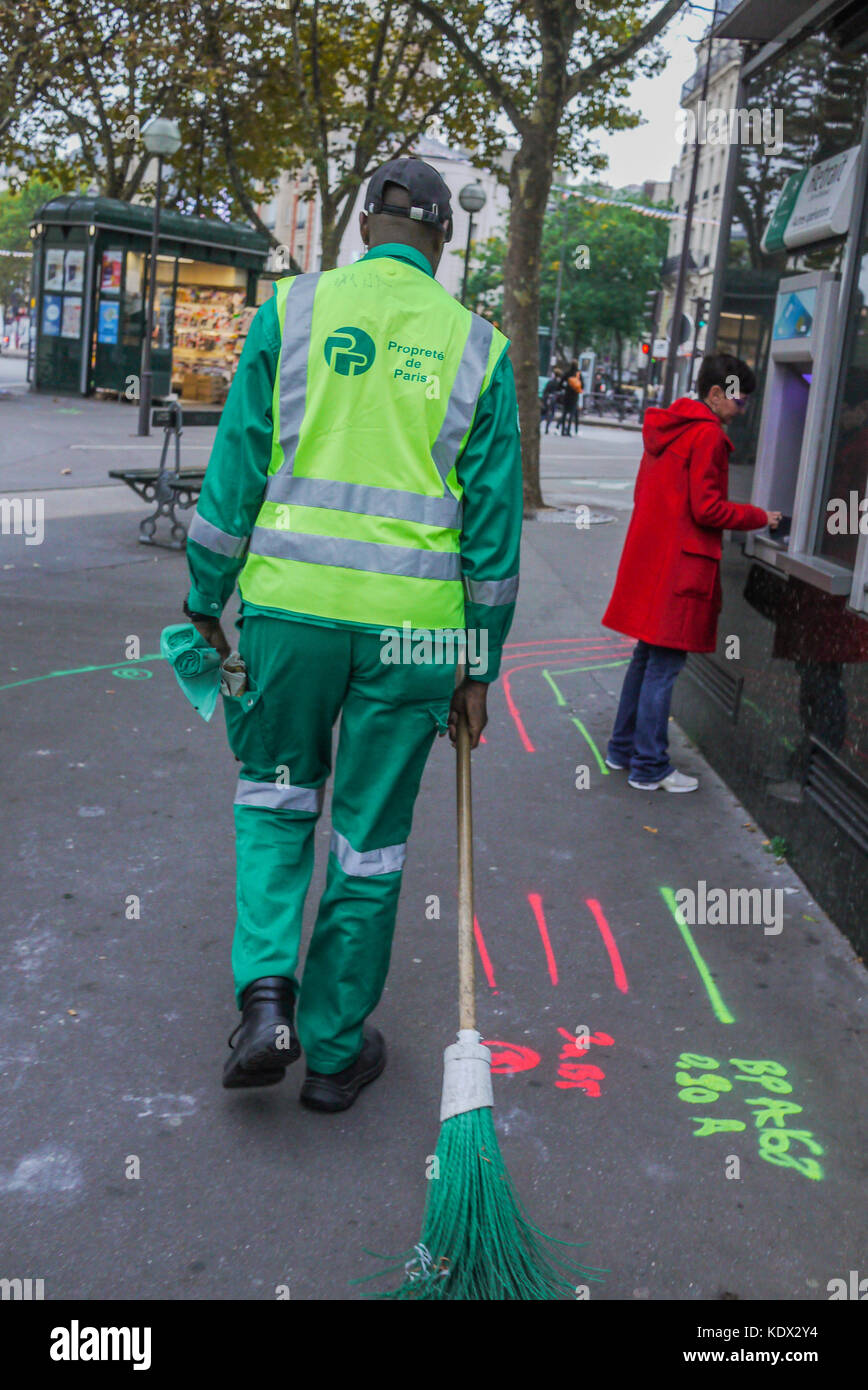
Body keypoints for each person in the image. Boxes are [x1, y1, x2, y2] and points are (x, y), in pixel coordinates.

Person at [182, 157, 523, 1109]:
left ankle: (265, 1004)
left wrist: (206, 595)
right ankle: (333, 1053)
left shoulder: (290, 313)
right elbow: (491, 542)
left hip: (290, 617)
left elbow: (236, 468)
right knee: (368, 846)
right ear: (444, 243)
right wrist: (476, 669)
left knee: (277, 808)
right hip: (415, 640)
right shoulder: (480, 350)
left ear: (364, 222)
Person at [601, 353, 780, 792]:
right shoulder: (708, 438)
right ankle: (649, 767)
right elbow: (708, 508)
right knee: (663, 668)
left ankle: (622, 750)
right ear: (716, 394)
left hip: (653, 563)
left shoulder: (668, 429)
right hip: (682, 569)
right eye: (739, 400)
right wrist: (762, 516)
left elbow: (649, 496)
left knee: (645, 661)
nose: (743, 409)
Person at [561, 359, 582, 435]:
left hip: (567, 396)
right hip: (574, 396)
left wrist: (565, 388)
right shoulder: (578, 374)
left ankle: (563, 430)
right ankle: (569, 430)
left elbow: (560, 384)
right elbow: (582, 385)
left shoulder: (567, 373)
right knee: (571, 414)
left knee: (564, 413)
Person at [542, 365, 564, 433]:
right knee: (551, 414)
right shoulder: (558, 383)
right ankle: (547, 428)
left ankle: (543, 426)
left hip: (548, 399)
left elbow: (545, 391)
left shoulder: (550, 382)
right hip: (554, 400)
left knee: (545, 413)